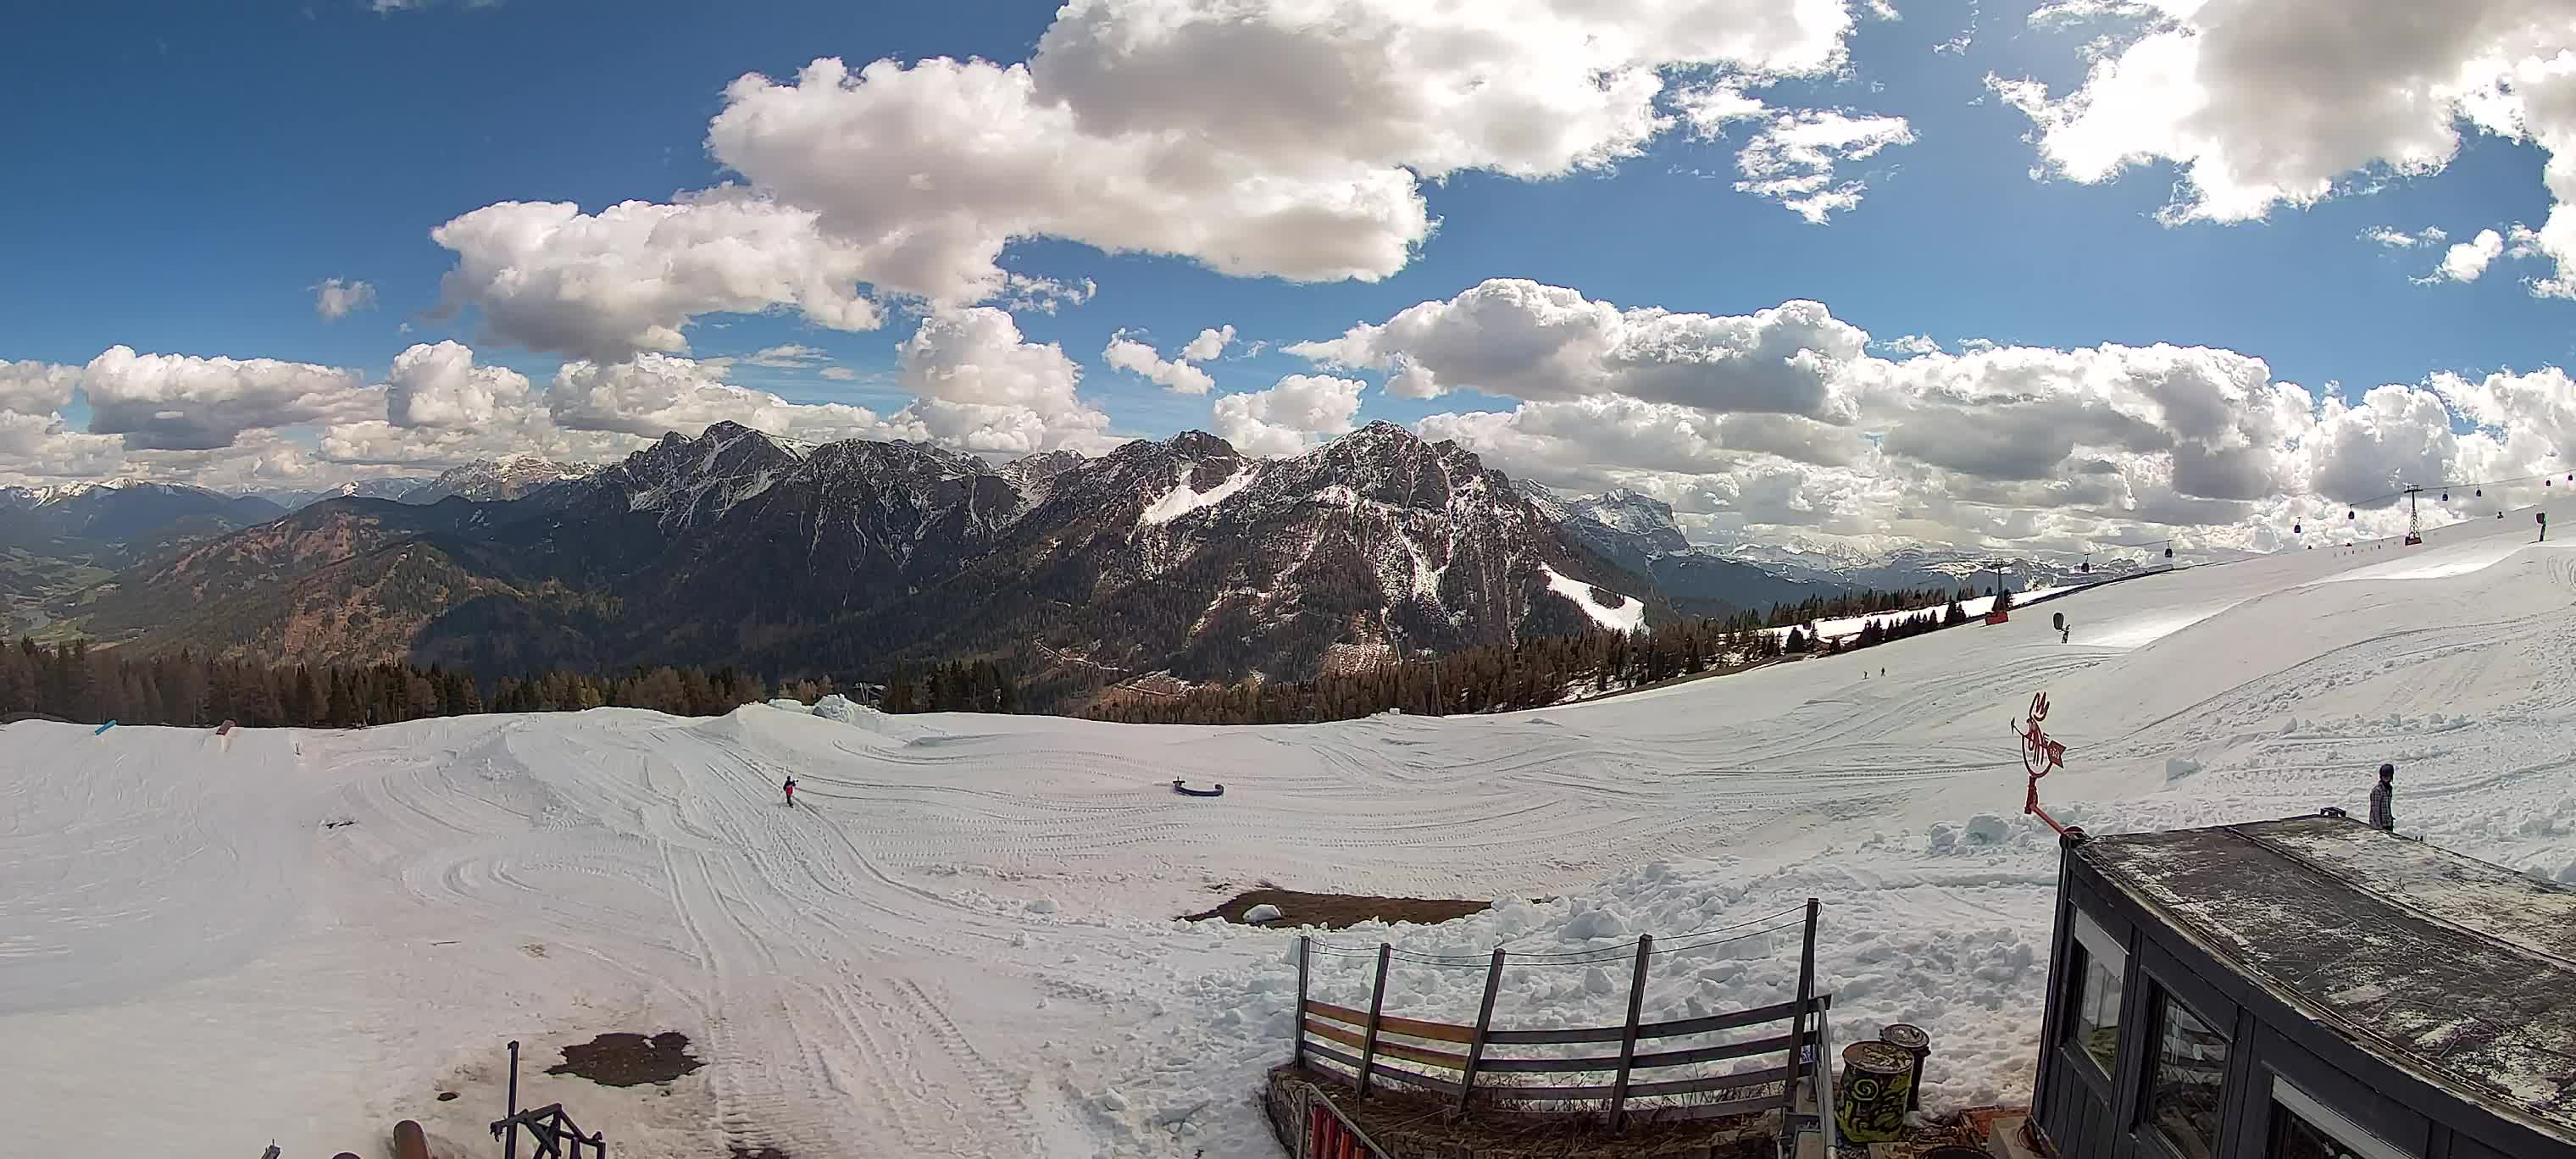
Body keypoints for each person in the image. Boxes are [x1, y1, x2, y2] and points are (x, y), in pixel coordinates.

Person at [2368, 764, 2394, 832]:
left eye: (2387, 776)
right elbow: (2375, 810)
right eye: (2384, 776)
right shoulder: (2377, 790)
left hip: (2387, 823)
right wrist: (2378, 827)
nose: (2386, 778)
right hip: (2380, 826)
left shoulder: (2388, 789)